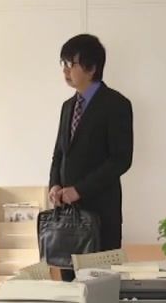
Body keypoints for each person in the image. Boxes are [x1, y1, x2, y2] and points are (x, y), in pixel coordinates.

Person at [48, 33, 134, 251]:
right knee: (68, 272)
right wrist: (54, 184)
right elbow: (59, 153)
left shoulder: (116, 104)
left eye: (71, 64)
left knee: (100, 272)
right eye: (63, 63)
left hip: (101, 214)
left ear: (92, 67)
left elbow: (120, 160)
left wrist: (80, 190)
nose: (65, 70)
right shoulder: (67, 106)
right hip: (67, 217)